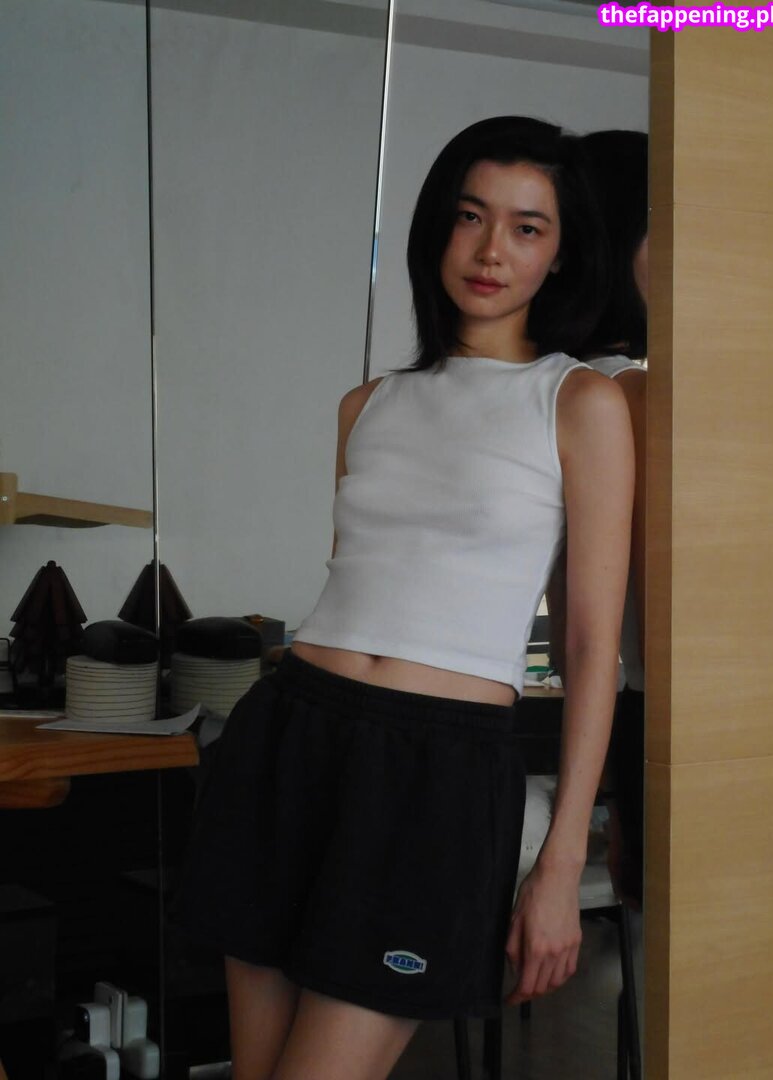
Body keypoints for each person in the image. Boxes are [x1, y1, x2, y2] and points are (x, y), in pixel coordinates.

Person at [176, 116, 635, 1080]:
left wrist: (559, 864)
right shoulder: (368, 404)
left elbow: (594, 647)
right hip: (291, 736)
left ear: (560, 254)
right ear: (438, 228)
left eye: (526, 227)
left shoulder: (580, 404)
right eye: (471, 217)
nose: (490, 250)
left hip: (439, 775)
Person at [548, 129, 648, 907]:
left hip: (639, 708)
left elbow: (572, 638)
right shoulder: (625, 394)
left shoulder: (567, 386)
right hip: (674, 707)